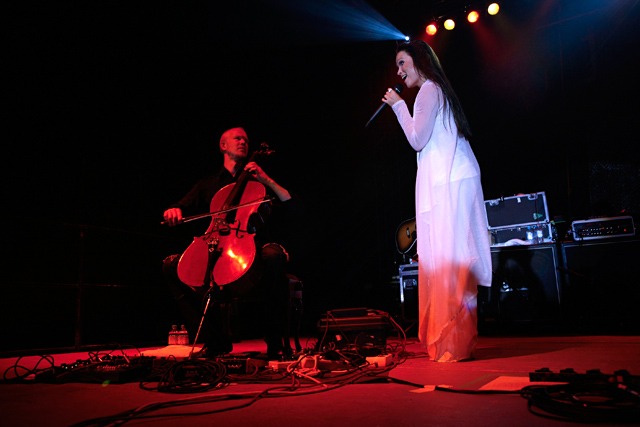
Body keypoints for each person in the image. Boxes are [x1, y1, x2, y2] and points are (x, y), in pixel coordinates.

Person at [382, 40, 492, 362]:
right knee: (452, 260)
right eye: (397, 66)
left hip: (452, 181)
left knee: (449, 260)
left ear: (419, 61)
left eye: (403, 63)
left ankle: (452, 342)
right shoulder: (434, 90)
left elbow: (417, 140)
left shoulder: (429, 90)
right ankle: (456, 340)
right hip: (453, 179)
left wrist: (398, 106)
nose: (399, 72)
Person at [162, 127, 303, 360]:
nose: (243, 142)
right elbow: (181, 208)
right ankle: (214, 339)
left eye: (246, 140)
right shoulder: (207, 185)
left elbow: (295, 207)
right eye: (237, 138)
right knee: (171, 266)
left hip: (254, 250)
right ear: (223, 145)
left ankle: (275, 343)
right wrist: (174, 210)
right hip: (217, 248)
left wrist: (266, 179)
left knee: (273, 256)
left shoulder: (259, 179)